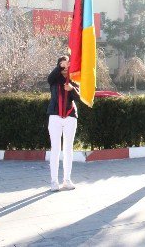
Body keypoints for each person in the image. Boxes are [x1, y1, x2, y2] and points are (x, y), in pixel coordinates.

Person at [46, 56, 80, 192]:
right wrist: (60, 66)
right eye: (62, 65)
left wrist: (72, 89)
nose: (65, 67)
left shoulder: (74, 79)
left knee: (68, 148)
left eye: (67, 64)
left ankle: (67, 180)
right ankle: (54, 181)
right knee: (55, 149)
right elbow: (49, 78)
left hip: (70, 116)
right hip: (55, 116)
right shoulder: (54, 79)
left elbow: (79, 98)